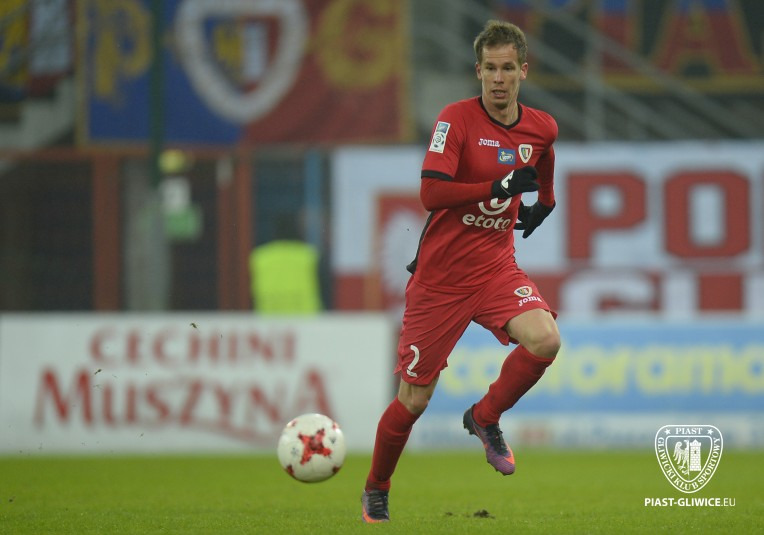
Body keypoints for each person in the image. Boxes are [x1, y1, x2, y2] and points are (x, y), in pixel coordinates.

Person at [361, 20, 561, 523]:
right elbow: (431, 193)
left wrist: (545, 201)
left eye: (507, 68)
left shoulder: (542, 126)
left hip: (495, 269)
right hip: (441, 280)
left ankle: (484, 417)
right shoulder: (455, 120)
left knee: (545, 339)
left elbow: (545, 154)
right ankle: (377, 487)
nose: (498, 79)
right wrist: (499, 187)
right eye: (490, 69)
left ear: (523, 71)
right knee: (414, 398)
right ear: (478, 71)